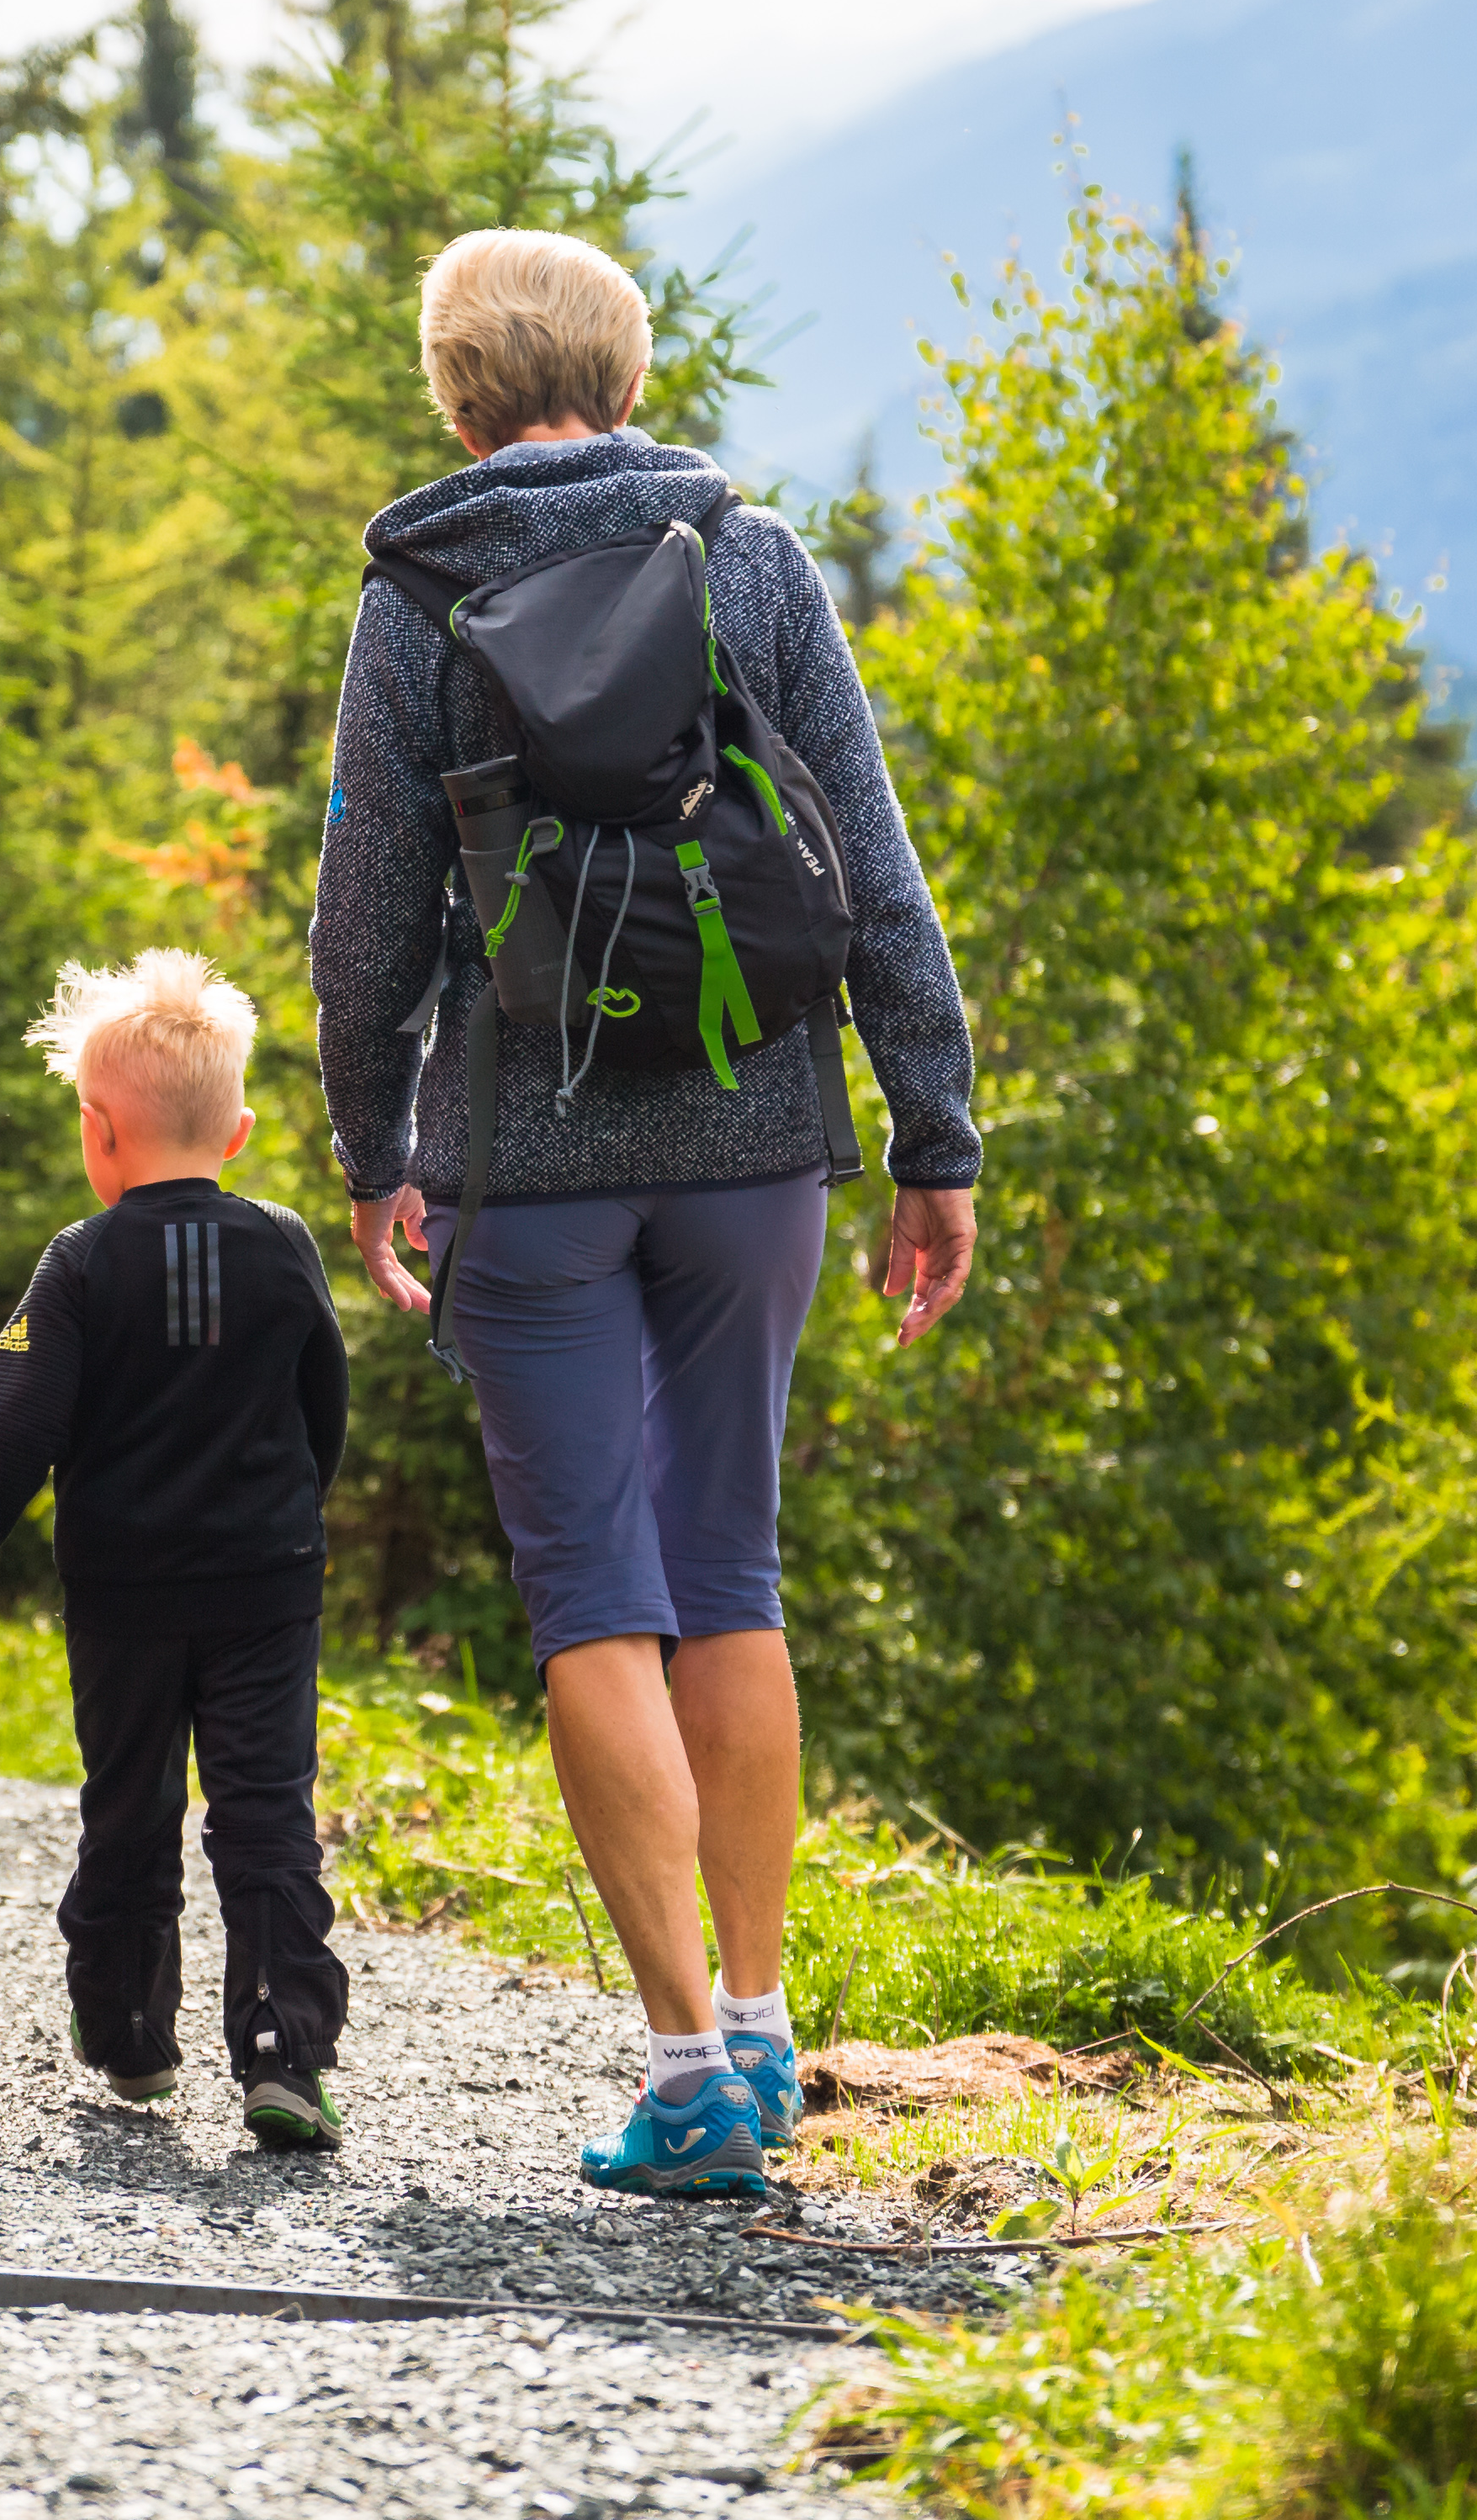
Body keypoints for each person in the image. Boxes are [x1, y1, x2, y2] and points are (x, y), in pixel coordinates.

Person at [307, 227, 980, 2200]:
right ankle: (767, 2033)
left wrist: (376, 1147)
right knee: (731, 1577)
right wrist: (930, 1133)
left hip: (526, 1162)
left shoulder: (416, 594)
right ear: (628, 366)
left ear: (455, 392)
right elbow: (870, 860)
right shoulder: (749, 556)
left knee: (596, 1601)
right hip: (758, 1138)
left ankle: (684, 2067)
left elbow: (370, 922)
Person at [0, 951, 356, 2152]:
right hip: (264, 1588)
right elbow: (324, 1403)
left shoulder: (81, 1263)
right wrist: (299, 1520)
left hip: (126, 1595)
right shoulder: (286, 1245)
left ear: (99, 1133)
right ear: (238, 1131)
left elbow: (14, 1428)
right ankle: (284, 2052)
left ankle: (131, 2035)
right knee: (266, 1816)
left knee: (131, 1809)